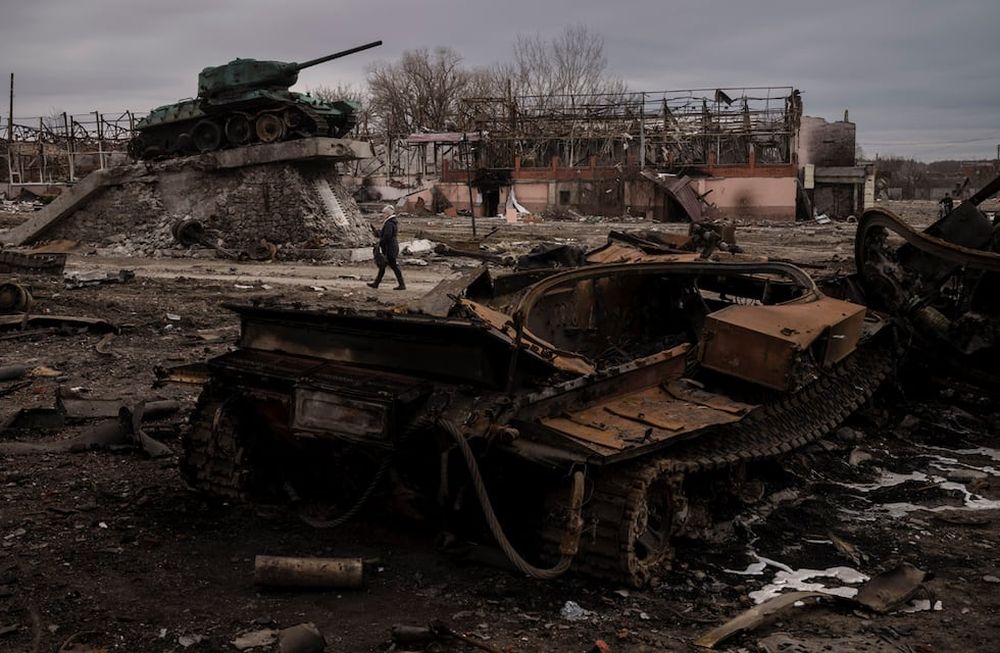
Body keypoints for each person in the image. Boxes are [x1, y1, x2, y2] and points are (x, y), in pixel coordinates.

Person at [368, 205, 406, 290]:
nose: (382, 214)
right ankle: (376, 283)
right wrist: (376, 231)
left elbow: (387, 236)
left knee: (393, 266)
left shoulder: (389, 223)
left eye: (383, 213)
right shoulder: (391, 222)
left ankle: (402, 285)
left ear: (387, 214)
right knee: (384, 266)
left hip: (390, 248)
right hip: (391, 247)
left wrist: (380, 243)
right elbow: (385, 234)